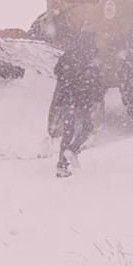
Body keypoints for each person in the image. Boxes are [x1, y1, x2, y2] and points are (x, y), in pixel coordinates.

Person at [51, 28, 106, 178]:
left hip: (67, 99)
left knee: (67, 132)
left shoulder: (69, 53)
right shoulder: (92, 56)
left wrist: (66, 83)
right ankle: (73, 150)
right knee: (87, 128)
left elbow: (57, 71)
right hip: (82, 100)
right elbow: (97, 80)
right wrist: (97, 97)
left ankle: (61, 166)